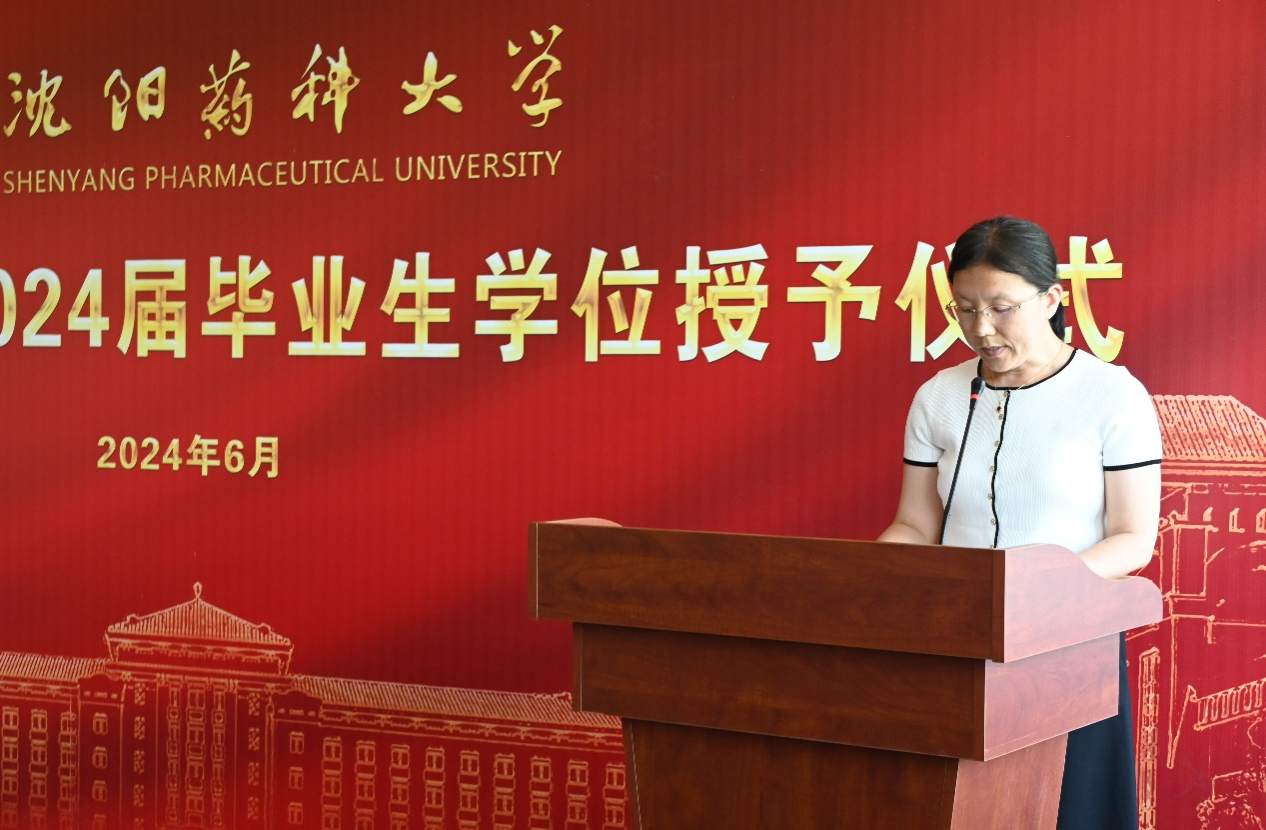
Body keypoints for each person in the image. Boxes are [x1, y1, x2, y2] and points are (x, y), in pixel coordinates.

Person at [878, 216, 1162, 830]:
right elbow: (915, 525)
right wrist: (872, 572)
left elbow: (1134, 537)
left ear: (1052, 299)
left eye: (1002, 308)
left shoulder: (1112, 394)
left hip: (1069, 642)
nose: (981, 328)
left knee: (1067, 809)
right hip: (956, 640)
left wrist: (1036, 593)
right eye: (965, 309)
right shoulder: (938, 396)